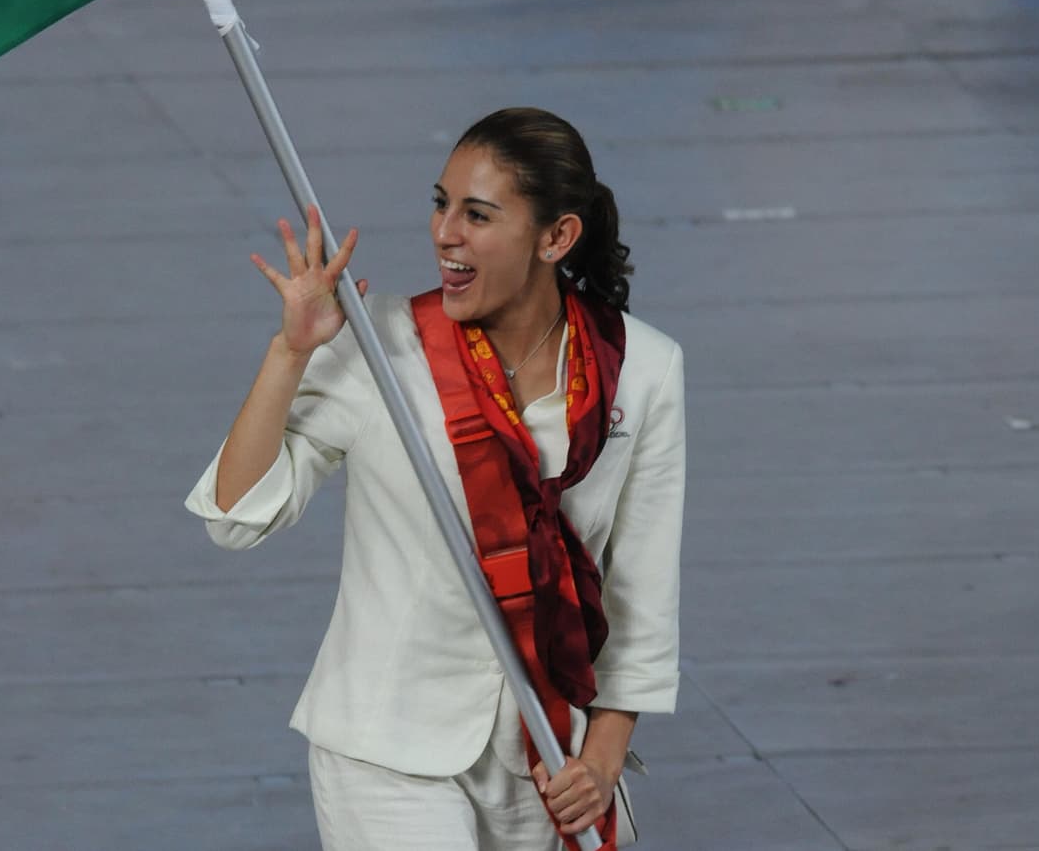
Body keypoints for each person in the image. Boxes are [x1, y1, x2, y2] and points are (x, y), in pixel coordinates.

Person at [185, 107, 685, 851]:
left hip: (549, 754)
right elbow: (235, 515)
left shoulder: (641, 369)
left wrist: (602, 762)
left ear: (557, 237)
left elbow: (638, 595)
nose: (444, 233)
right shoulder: (385, 347)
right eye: (440, 203)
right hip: (387, 750)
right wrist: (289, 355)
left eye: (478, 214)